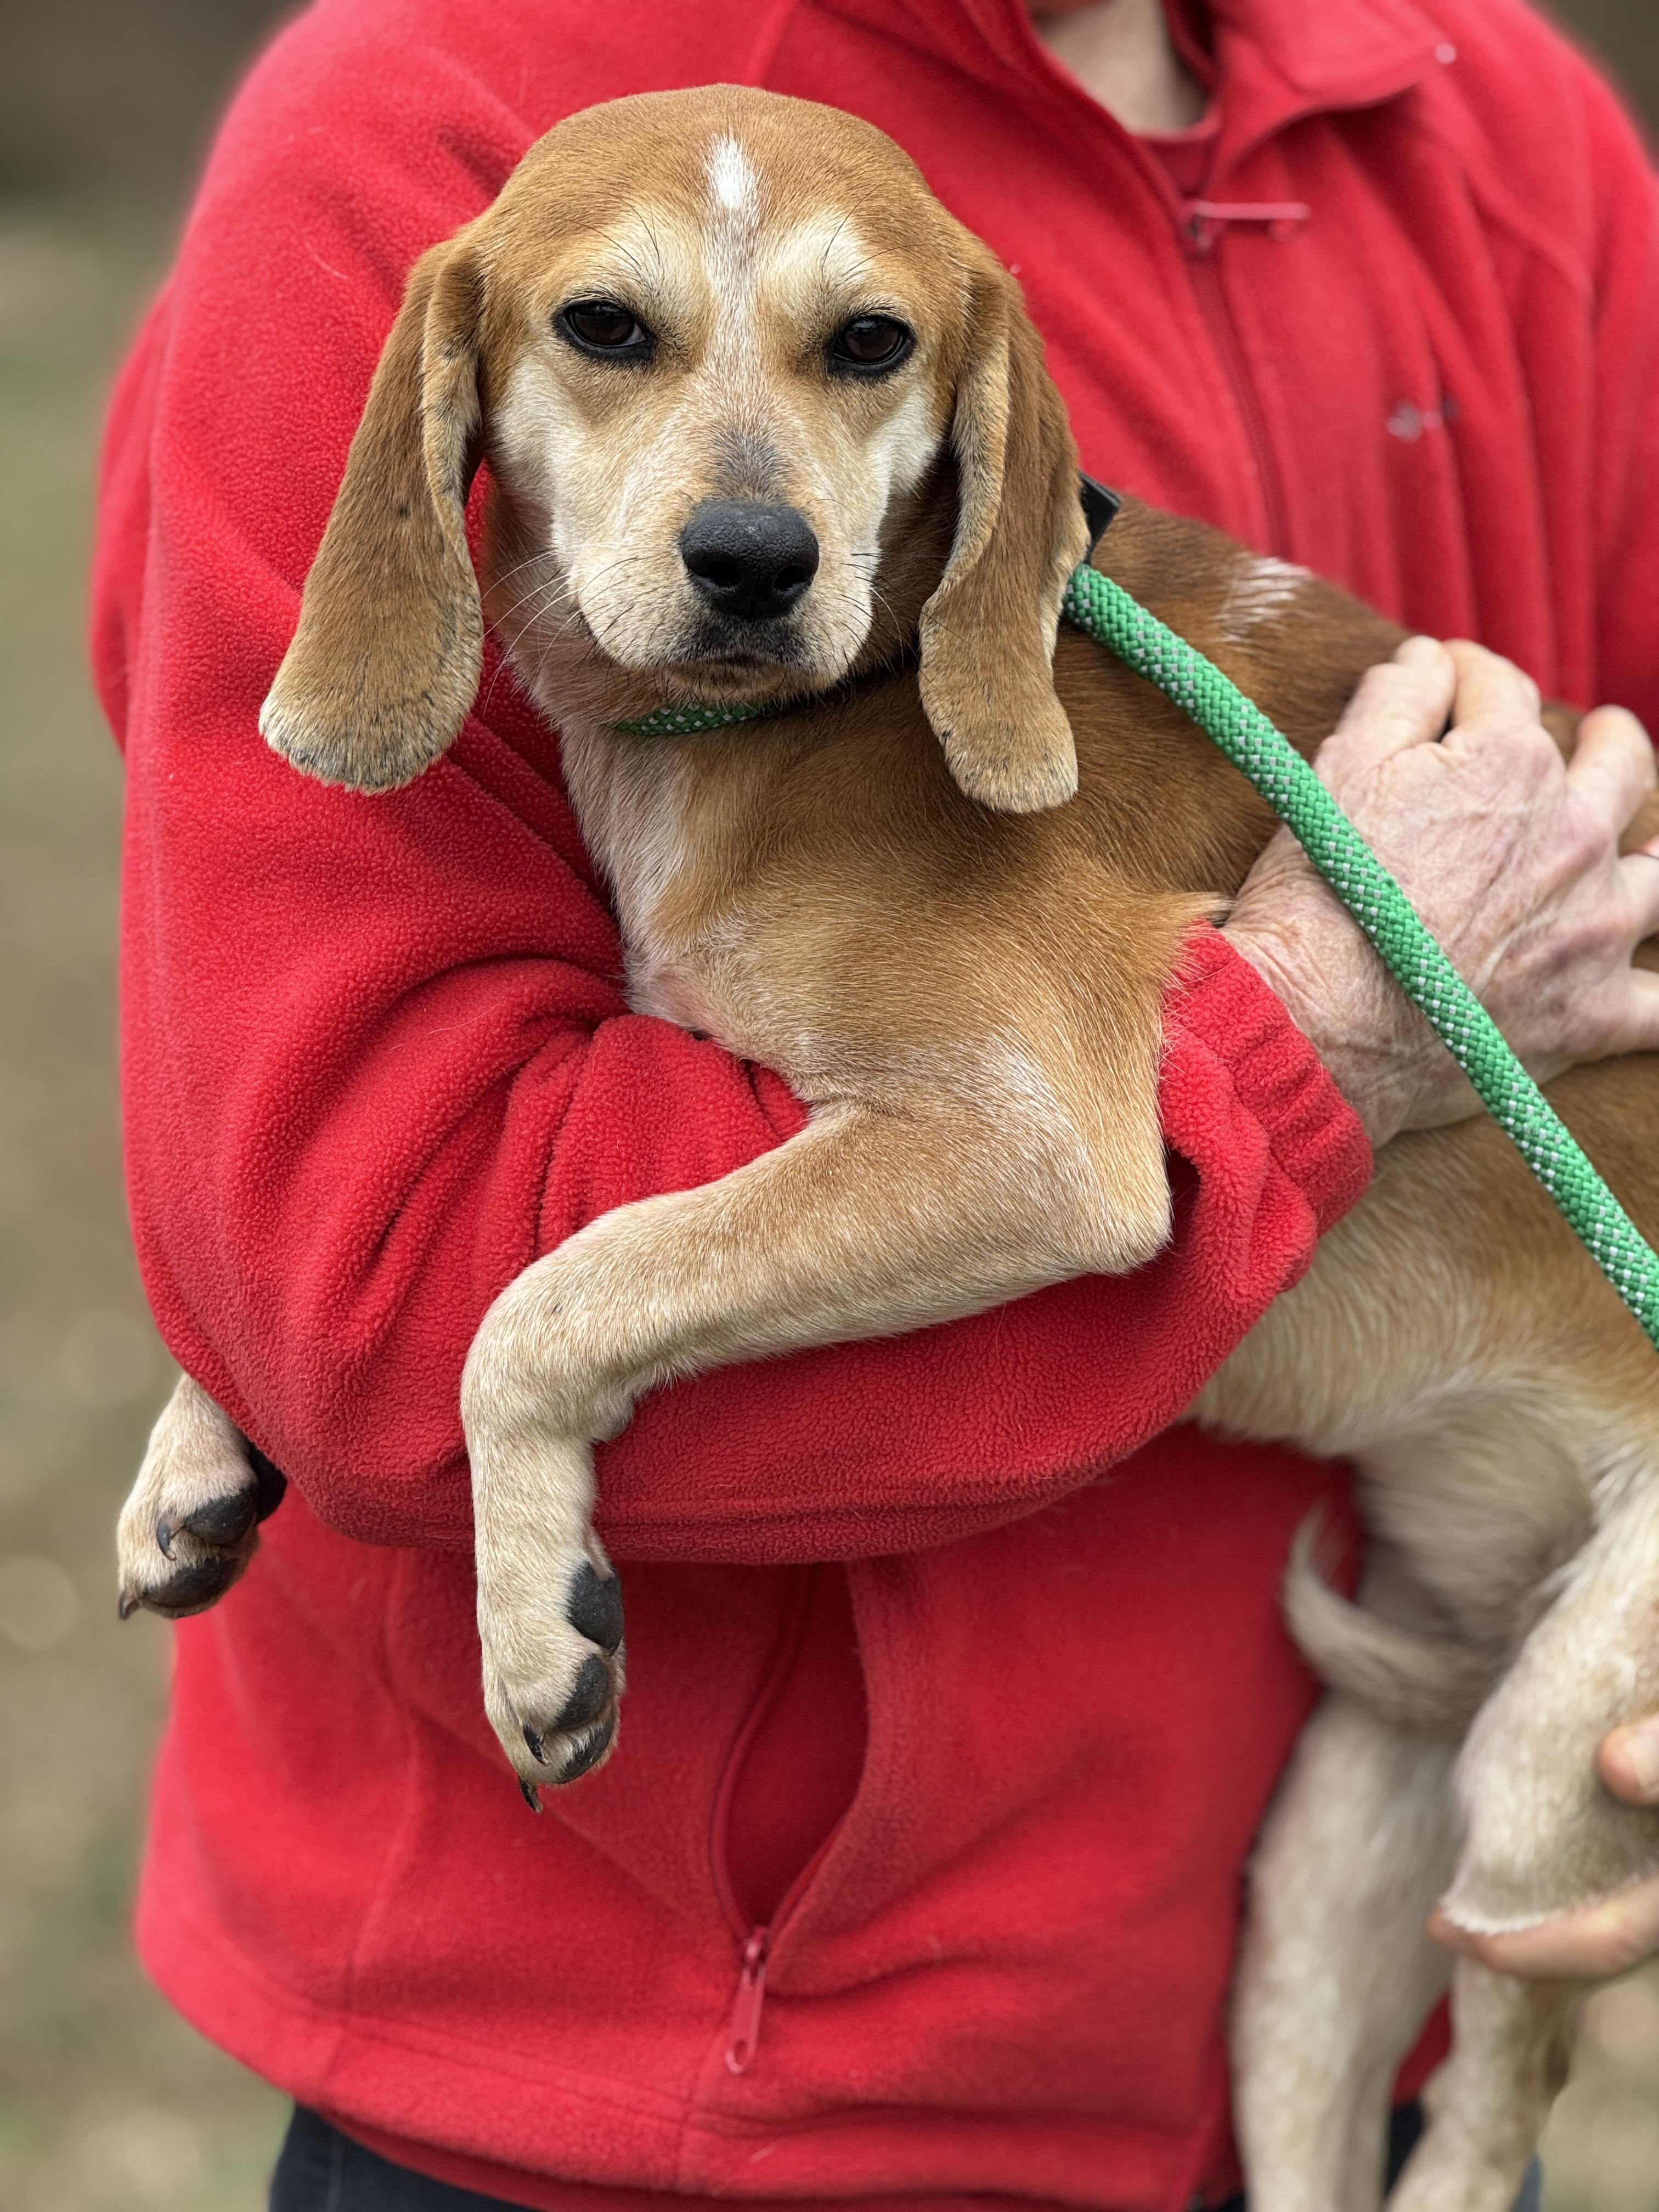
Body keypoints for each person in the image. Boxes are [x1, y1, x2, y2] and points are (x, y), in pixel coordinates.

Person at [91, 0, 1659, 2205]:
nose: (748, 499)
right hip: (629, 2117)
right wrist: (1323, 1030)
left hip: (1337, 1936)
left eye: (857, 360)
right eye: (618, 337)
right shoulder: (429, 112)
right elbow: (362, 1298)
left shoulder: (1508, 128)